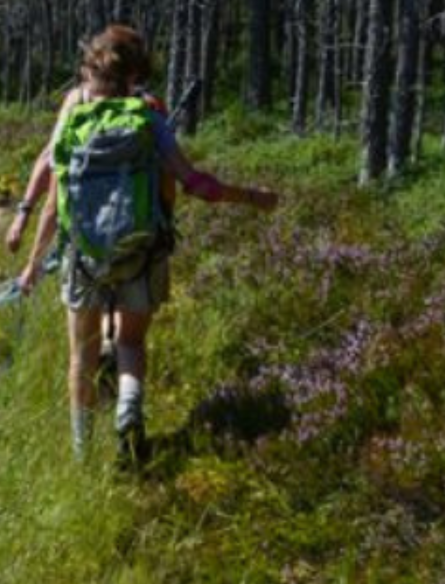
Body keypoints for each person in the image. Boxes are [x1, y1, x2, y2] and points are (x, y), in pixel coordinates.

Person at [15, 24, 278, 462]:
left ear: (92, 67)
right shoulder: (149, 115)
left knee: (81, 355)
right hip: (143, 248)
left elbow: (54, 187)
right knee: (131, 344)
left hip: (83, 254)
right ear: (137, 72)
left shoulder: (75, 114)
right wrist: (252, 197)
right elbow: (195, 184)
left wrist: (31, 258)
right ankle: (128, 407)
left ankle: (81, 454)